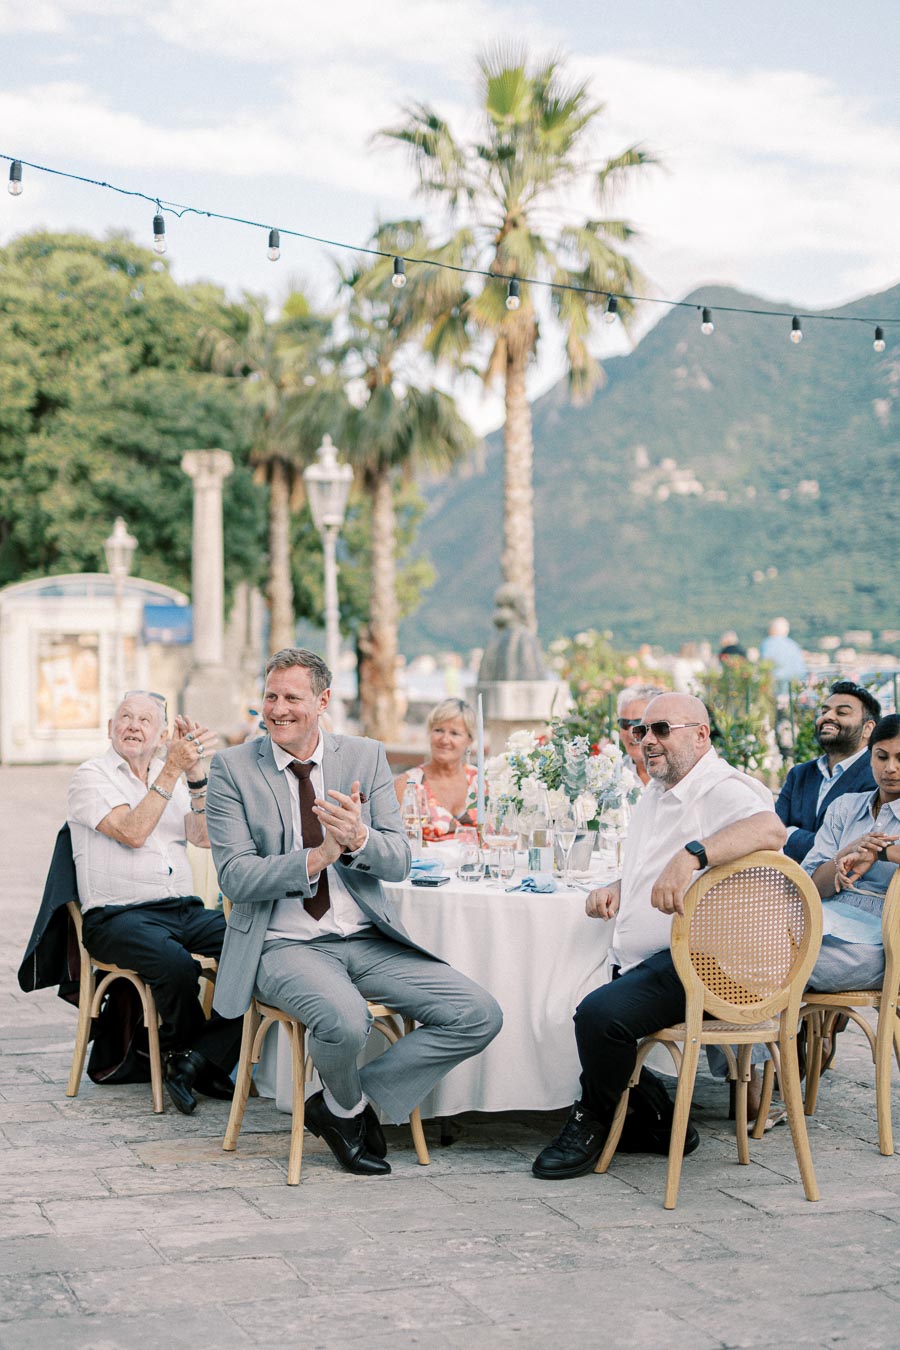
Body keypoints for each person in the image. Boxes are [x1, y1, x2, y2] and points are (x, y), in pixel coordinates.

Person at [205, 648, 502, 1177]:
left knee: (478, 1013)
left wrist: (360, 838)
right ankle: (348, 1110)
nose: (277, 709)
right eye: (270, 697)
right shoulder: (232, 768)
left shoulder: (364, 757)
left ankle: (341, 1103)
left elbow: (399, 859)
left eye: (292, 698)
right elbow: (235, 877)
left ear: (322, 701)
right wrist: (315, 859)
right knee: (346, 1022)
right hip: (282, 944)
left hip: (365, 939)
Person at [531, 692, 785, 1180]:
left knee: (601, 1016)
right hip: (654, 955)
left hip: (708, 961)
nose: (647, 740)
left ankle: (595, 1121)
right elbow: (652, 867)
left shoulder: (722, 788)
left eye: (661, 729)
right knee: (551, 995)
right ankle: (659, 1120)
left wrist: (693, 853)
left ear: (700, 735)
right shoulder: (659, 791)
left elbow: (770, 830)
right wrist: (620, 886)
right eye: (640, 731)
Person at [66, 691, 242, 1114]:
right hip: (115, 916)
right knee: (177, 966)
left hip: (181, 908)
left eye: (145, 720)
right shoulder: (91, 776)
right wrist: (172, 769)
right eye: (124, 717)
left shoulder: (175, 779)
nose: (132, 726)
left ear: (161, 734)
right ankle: (193, 1056)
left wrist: (196, 774)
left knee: (258, 942)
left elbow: (202, 837)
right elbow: (132, 831)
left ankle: (196, 1059)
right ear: (110, 728)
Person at [802, 714, 900, 995]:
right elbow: (810, 886)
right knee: (756, 944)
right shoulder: (845, 808)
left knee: (776, 960)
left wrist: (881, 853)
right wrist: (846, 855)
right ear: (869, 757)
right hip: (823, 915)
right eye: (881, 757)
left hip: (883, 941)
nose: (890, 768)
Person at [776, 681, 880, 862]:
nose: (828, 717)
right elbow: (772, 832)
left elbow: (850, 849)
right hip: (789, 881)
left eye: (842, 712)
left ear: (868, 729)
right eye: (824, 712)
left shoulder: (877, 776)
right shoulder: (799, 774)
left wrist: (790, 834)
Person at [394, 697, 478, 840]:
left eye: (454, 733)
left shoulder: (481, 781)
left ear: (469, 740)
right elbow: (393, 840)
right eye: (438, 730)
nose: (444, 740)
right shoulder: (408, 785)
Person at [617, 685, 666, 786]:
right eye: (625, 723)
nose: (631, 733)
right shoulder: (613, 774)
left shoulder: (676, 774)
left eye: (640, 723)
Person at [761, 617, 807, 691]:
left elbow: (766, 666)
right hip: (793, 685)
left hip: (777, 685)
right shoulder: (793, 645)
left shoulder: (768, 643)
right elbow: (801, 670)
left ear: (772, 629)